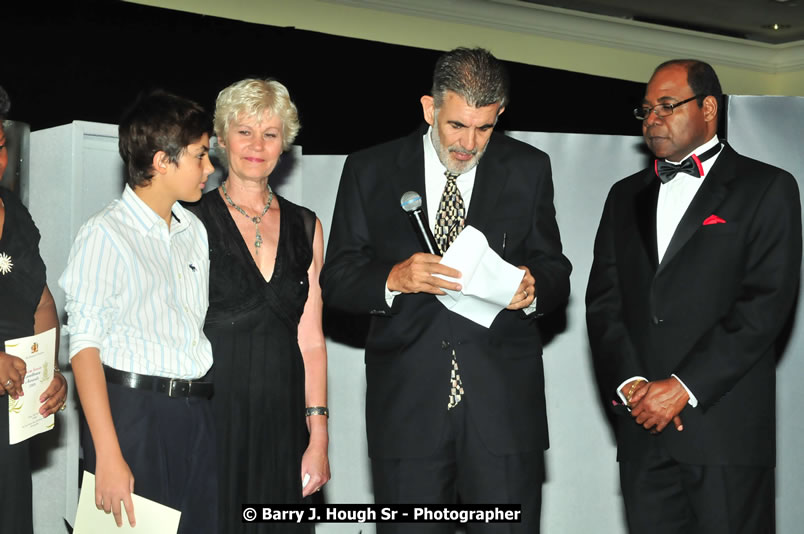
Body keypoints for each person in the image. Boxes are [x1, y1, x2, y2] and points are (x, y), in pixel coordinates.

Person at [320, 47, 571, 533]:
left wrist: (536, 286)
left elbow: (553, 264)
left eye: (485, 128)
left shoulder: (529, 168)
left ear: (500, 115)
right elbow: (338, 278)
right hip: (408, 410)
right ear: (429, 108)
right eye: (457, 125)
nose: (469, 143)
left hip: (503, 412)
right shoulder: (370, 169)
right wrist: (393, 278)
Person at [586, 59, 802, 534]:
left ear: (708, 108)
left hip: (725, 434)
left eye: (667, 105)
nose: (653, 118)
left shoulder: (767, 188)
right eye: (646, 109)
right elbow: (604, 301)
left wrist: (682, 387)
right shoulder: (624, 196)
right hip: (644, 434)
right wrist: (632, 386)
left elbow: (765, 304)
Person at [59, 91, 217, 533]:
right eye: (201, 156)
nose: (209, 168)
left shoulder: (194, 232)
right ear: (163, 161)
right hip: (133, 415)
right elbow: (84, 344)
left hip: (196, 412)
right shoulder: (105, 233)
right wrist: (107, 453)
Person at [187, 78, 329, 533]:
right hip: (209, 416)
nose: (256, 145)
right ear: (222, 138)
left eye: (270, 134)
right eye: (244, 131)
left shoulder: (307, 227)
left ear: (284, 144)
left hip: (285, 423)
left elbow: (310, 340)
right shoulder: (188, 219)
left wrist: (319, 434)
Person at [0, 85, 69, 534]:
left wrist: (49, 374)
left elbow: (41, 300)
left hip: (11, 415)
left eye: (0, 146)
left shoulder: (16, 213)